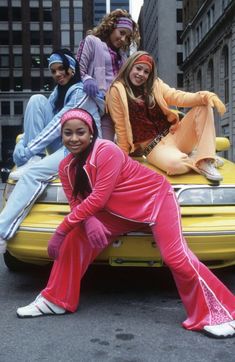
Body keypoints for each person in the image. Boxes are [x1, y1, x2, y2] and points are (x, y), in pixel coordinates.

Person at [16, 108, 235, 339]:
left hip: (155, 200)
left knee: (176, 257)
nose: (73, 138)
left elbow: (98, 197)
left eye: (80, 132)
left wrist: (59, 232)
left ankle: (223, 313)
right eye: (67, 133)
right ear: (61, 136)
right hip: (116, 212)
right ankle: (55, 299)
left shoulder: (107, 150)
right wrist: (88, 222)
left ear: (91, 134)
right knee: (76, 236)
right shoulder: (65, 167)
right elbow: (75, 202)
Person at [0, 49, 103, 254]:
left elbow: (58, 125)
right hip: (66, 143)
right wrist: (26, 148)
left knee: (32, 175)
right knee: (37, 100)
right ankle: (34, 158)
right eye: (53, 71)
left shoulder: (81, 91)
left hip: (83, 148)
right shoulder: (58, 93)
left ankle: (2, 230)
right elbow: (41, 125)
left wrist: (27, 150)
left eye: (61, 69)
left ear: (71, 68)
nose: (57, 74)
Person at [105, 51, 226, 182]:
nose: (141, 74)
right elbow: (121, 128)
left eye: (146, 72)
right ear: (129, 67)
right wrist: (122, 161)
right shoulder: (116, 91)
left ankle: (205, 160)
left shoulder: (155, 84)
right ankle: (200, 157)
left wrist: (204, 96)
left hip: (175, 134)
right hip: (154, 147)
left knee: (203, 105)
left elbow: (177, 96)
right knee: (175, 166)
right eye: (138, 68)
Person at [77, 8, 139, 140]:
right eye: (121, 33)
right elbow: (78, 69)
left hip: (110, 110)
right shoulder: (92, 41)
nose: (123, 39)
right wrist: (87, 79)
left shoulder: (123, 58)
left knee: (105, 146)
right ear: (111, 27)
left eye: (127, 37)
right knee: (86, 142)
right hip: (91, 101)